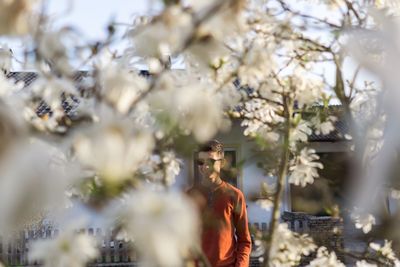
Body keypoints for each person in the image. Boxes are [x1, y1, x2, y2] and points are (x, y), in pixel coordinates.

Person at [187, 140, 252, 267]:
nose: (205, 167)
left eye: (211, 161)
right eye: (201, 162)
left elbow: (244, 240)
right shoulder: (189, 196)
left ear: (221, 163)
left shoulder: (235, 195)